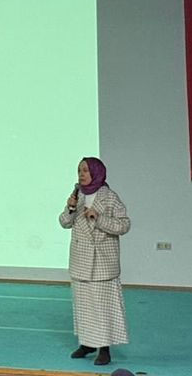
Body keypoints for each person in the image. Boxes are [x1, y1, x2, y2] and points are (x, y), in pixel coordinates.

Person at [60, 156, 130, 367]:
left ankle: (104, 348)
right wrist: (70, 208)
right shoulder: (77, 195)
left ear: (96, 172)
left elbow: (124, 225)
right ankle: (87, 343)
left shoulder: (110, 197)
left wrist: (98, 218)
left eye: (85, 170)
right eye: (79, 170)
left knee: (102, 307)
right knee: (83, 305)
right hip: (81, 259)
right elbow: (64, 223)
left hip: (102, 261)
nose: (81, 174)